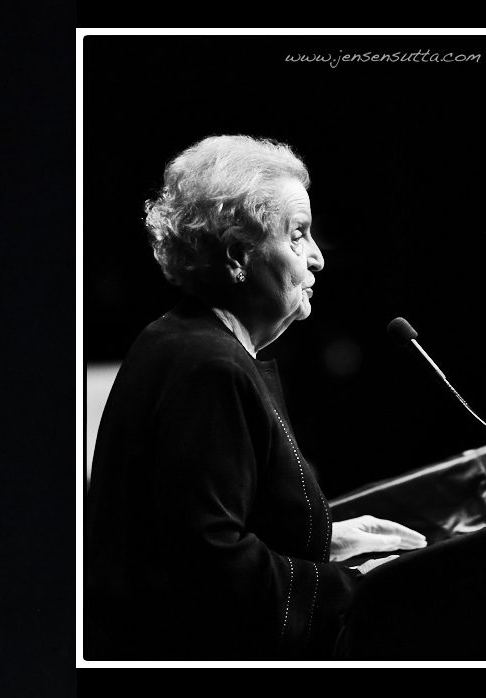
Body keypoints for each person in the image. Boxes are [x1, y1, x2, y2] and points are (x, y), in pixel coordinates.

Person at [83, 135, 425, 659]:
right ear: (240, 254)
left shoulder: (177, 340)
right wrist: (354, 587)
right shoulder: (209, 369)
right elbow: (209, 565)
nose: (317, 260)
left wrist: (324, 542)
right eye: (298, 235)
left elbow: (196, 524)